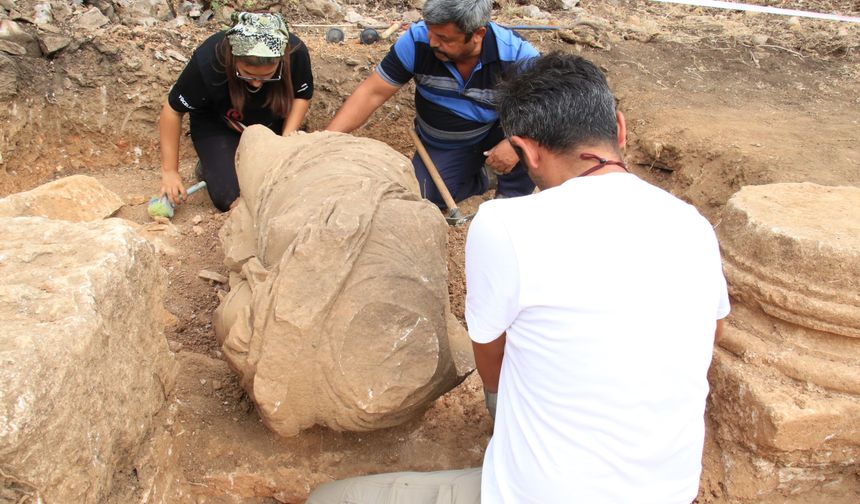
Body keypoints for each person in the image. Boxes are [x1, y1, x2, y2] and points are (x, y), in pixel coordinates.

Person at [306, 52, 730, 504]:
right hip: (669, 491)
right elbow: (713, 330)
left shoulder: (505, 224)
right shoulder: (692, 224)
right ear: (620, 129)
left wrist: (500, 403)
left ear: (525, 150)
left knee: (329, 499)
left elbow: (490, 350)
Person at [325, 0, 538, 207]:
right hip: (446, 142)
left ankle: (512, 199)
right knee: (425, 195)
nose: (433, 42)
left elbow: (548, 107)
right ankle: (485, 175)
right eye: (430, 31)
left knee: (536, 142)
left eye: (444, 38)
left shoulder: (516, 55)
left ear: (477, 34)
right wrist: (325, 140)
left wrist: (515, 143)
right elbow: (372, 93)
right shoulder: (417, 41)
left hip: (496, 128)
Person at [158, 12, 314, 211]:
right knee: (233, 199)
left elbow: (302, 95)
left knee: (287, 185)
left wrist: (285, 141)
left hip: (271, 122)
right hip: (219, 124)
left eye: (267, 76)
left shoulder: (295, 53)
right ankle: (210, 165)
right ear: (233, 57)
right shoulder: (209, 60)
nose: (257, 83)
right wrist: (170, 171)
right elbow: (172, 111)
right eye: (248, 75)